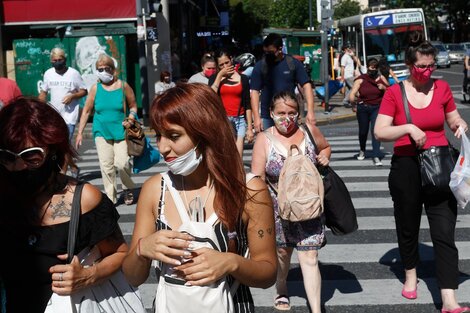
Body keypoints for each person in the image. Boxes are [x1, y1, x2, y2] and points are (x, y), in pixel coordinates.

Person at [122, 83, 277, 312]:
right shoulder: (155, 189)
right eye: (159, 136)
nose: (163, 147)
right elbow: (132, 277)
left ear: (205, 132)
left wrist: (231, 262)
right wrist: (142, 250)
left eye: (174, 136)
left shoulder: (250, 189)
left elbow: (268, 272)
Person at [0, 97, 127, 313]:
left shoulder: (83, 199)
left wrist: (89, 276)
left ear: (53, 151)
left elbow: (121, 253)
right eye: (7, 157)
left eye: (31, 156)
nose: (18, 166)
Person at [374, 36, 470, 313]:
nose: (427, 72)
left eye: (430, 66)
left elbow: (451, 117)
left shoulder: (441, 88)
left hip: (440, 166)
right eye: (421, 67)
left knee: (444, 233)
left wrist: (459, 124)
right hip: (406, 167)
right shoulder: (395, 93)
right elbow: (381, 131)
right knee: (408, 227)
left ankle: (449, 298)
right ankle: (411, 275)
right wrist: (407, 129)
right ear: (408, 65)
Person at [251, 91, 331, 313]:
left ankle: (316, 309)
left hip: (309, 206)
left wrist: (325, 156)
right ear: (271, 113)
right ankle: (281, 287)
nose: (287, 118)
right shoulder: (264, 140)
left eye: (292, 113)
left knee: (310, 255)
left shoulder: (309, 131)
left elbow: (325, 147)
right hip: (278, 209)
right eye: (281, 113)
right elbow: (257, 178)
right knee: (283, 254)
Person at [75, 54, 137, 205]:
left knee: (123, 164)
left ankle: (128, 188)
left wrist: (131, 118)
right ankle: (111, 198)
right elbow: (86, 111)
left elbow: (133, 106)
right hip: (101, 131)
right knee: (106, 166)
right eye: (99, 69)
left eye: (106, 68)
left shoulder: (123, 86)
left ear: (113, 70)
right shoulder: (95, 88)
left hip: (121, 132)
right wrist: (80, 132)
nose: (102, 71)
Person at [250, 33, 316, 132]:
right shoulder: (260, 66)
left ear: (280, 48)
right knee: (269, 145)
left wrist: (310, 111)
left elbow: (307, 85)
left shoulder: (292, 64)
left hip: (289, 114)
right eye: (266, 52)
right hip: (268, 116)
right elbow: (254, 92)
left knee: (290, 144)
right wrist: (256, 117)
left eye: (271, 52)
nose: (268, 54)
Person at [39, 47, 87, 178]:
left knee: (64, 145)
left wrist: (72, 96)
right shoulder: (48, 73)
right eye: (54, 60)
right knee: (58, 146)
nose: (57, 62)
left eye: (60, 60)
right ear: (51, 61)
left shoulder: (73, 73)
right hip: (54, 116)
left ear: (64, 60)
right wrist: (38, 106)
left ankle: (62, 175)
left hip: (69, 116)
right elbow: (44, 92)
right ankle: (74, 167)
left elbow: (84, 91)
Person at [209, 48, 254, 157]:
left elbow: (247, 104)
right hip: (223, 119)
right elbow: (210, 95)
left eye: (227, 62)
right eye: (221, 65)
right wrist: (220, 76)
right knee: (228, 153)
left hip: (239, 119)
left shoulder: (243, 79)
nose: (225, 67)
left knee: (238, 155)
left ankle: (239, 173)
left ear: (231, 60)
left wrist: (249, 128)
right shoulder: (214, 78)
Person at [349, 58, 388, 166]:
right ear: (367, 68)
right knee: (363, 131)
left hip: (377, 108)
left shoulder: (381, 78)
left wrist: (383, 88)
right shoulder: (360, 79)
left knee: (376, 131)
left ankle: (376, 155)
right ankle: (362, 150)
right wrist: (353, 105)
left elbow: (390, 92)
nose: (373, 70)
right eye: (371, 68)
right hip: (363, 108)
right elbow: (352, 94)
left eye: (375, 68)